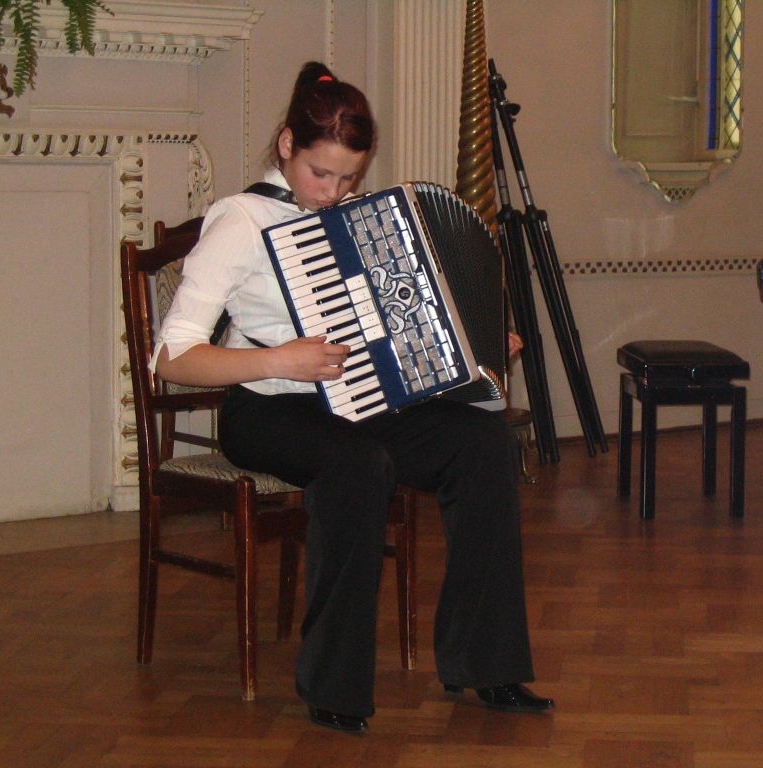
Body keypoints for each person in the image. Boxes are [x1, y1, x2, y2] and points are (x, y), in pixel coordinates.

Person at [152, 61, 553, 734]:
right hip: (266, 407)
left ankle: (487, 665)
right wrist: (280, 358)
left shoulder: (364, 221)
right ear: (287, 145)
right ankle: (334, 684)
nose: (333, 193)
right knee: (358, 464)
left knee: (481, 442)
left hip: (359, 400)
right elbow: (171, 357)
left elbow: (399, 327)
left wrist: (473, 344)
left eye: (349, 179)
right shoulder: (241, 220)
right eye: (321, 174)